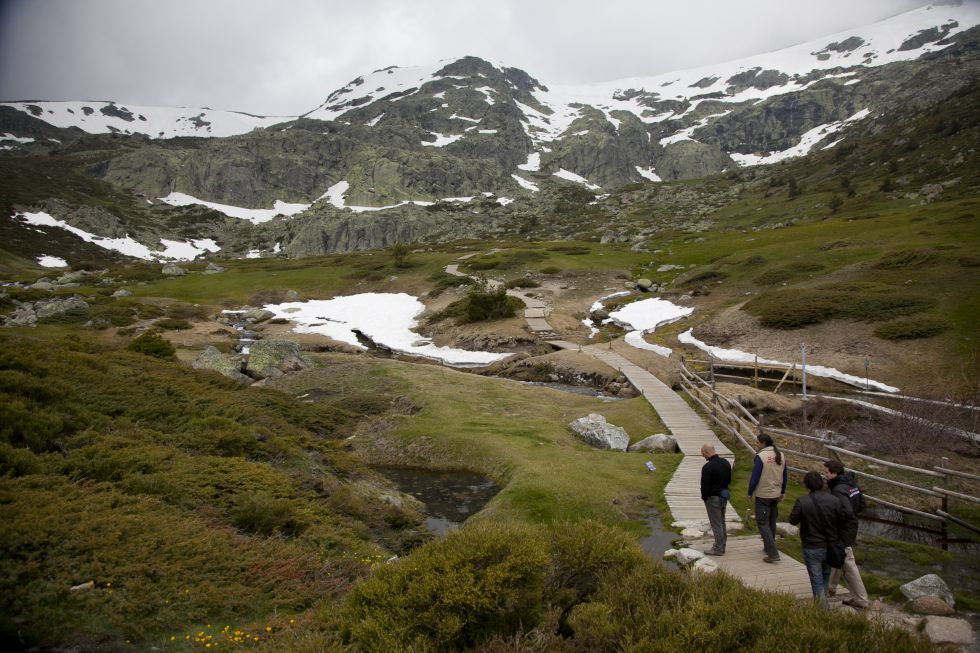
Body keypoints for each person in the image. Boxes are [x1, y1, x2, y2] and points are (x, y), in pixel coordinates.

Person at [789, 471, 856, 608]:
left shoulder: (802, 501)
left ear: (807, 485)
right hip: (830, 545)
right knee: (825, 574)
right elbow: (841, 521)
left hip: (812, 546)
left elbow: (792, 520)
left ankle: (822, 609)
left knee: (816, 578)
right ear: (821, 483)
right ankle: (823, 602)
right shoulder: (834, 500)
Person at [823, 459, 870, 609]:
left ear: (834, 473)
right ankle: (831, 587)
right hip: (851, 527)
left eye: (827, 472)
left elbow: (846, 512)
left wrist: (835, 523)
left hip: (842, 530)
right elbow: (862, 505)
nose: (825, 475)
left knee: (848, 564)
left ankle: (861, 599)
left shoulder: (838, 490)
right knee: (838, 556)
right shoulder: (852, 484)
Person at [747, 433, 787, 563]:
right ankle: (769, 546)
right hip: (775, 493)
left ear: (763, 443)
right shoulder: (780, 455)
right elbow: (785, 474)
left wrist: (750, 492)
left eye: (757, 442)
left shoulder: (761, 457)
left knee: (763, 523)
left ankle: (773, 553)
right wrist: (783, 491)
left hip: (763, 494)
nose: (756, 444)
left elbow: (755, 477)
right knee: (771, 521)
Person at [700, 443, 732, 555]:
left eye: (702, 453)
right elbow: (729, 479)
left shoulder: (707, 467)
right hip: (724, 495)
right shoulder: (726, 463)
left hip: (713, 498)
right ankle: (722, 545)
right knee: (722, 522)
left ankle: (718, 548)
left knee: (716, 523)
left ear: (706, 452)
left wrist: (704, 498)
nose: (703, 456)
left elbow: (705, 486)